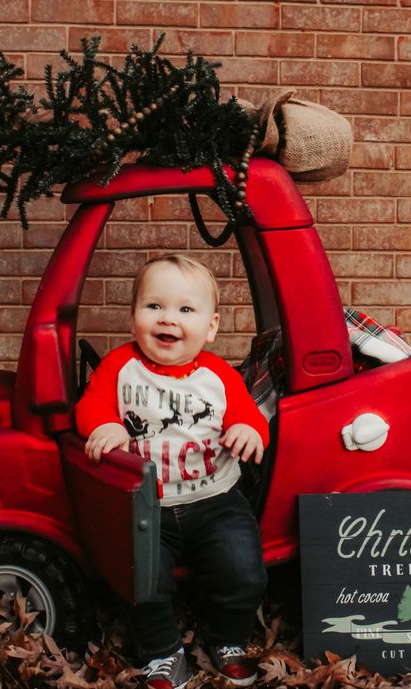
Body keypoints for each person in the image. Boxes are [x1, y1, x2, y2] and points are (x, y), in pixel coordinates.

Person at [76, 254, 269, 689]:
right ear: (133, 320)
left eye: (186, 310)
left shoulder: (218, 377)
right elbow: (90, 406)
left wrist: (248, 430)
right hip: (148, 507)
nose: (169, 319)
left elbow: (250, 418)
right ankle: (162, 653)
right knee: (143, 580)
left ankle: (229, 640)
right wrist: (105, 424)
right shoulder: (120, 368)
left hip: (215, 499)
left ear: (211, 326)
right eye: (154, 306)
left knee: (242, 570)